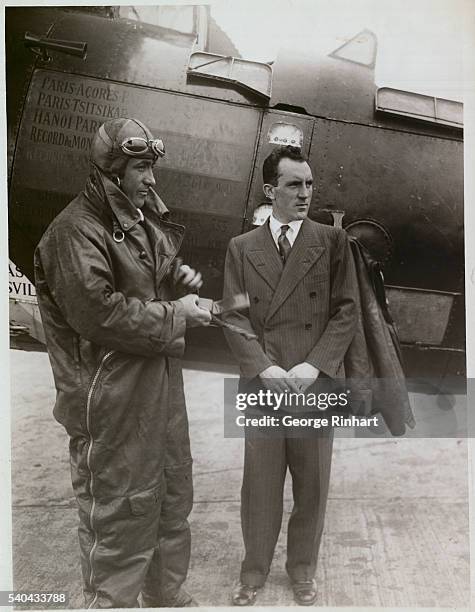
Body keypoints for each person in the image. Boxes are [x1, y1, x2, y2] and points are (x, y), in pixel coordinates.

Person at [34, 118, 211, 608]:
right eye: (141, 167)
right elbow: (100, 313)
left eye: (153, 167)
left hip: (157, 389)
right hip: (108, 401)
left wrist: (185, 286)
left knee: (171, 501)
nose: (152, 178)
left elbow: (159, 274)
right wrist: (177, 314)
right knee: (119, 517)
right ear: (111, 171)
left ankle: (166, 597)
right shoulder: (74, 231)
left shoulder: (137, 221)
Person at [222, 146, 358, 606]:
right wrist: (264, 368)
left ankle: (303, 570)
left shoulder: (332, 241)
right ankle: (253, 572)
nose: (305, 194)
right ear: (270, 190)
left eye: (309, 185)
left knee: (312, 486)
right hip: (265, 387)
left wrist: (314, 364)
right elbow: (234, 318)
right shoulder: (241, 248)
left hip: (313, 383)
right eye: (294, 185)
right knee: (259, 487)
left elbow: (346, 311)